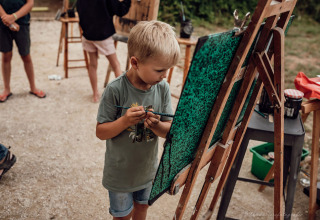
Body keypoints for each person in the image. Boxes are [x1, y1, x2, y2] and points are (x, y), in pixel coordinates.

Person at [96, 20, 180, 219]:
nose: (164, 76)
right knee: (122, 215)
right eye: (159, 70)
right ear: (135, 63)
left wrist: (157, 125)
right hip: (121, 173)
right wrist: (124, 121)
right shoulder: (116, 89)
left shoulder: (162, 88)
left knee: (142, 208)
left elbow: (169, 130)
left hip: (147, 171)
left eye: (167, 70)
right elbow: (100, 132)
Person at [77, 0, 131, 103]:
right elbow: (121, 10)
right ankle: (123, 96)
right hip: (103, 35)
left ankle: (95, 94)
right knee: (115, 65)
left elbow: (79, 12)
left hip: (88, 35)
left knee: (92, 65)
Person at [0, 0, 46, 103]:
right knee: (6, 56)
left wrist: (13, 17)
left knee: (26, 55)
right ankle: (6, 89)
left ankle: (33, 87)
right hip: (2, 22)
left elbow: (30, 3)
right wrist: (7, 19)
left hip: (22, 22)